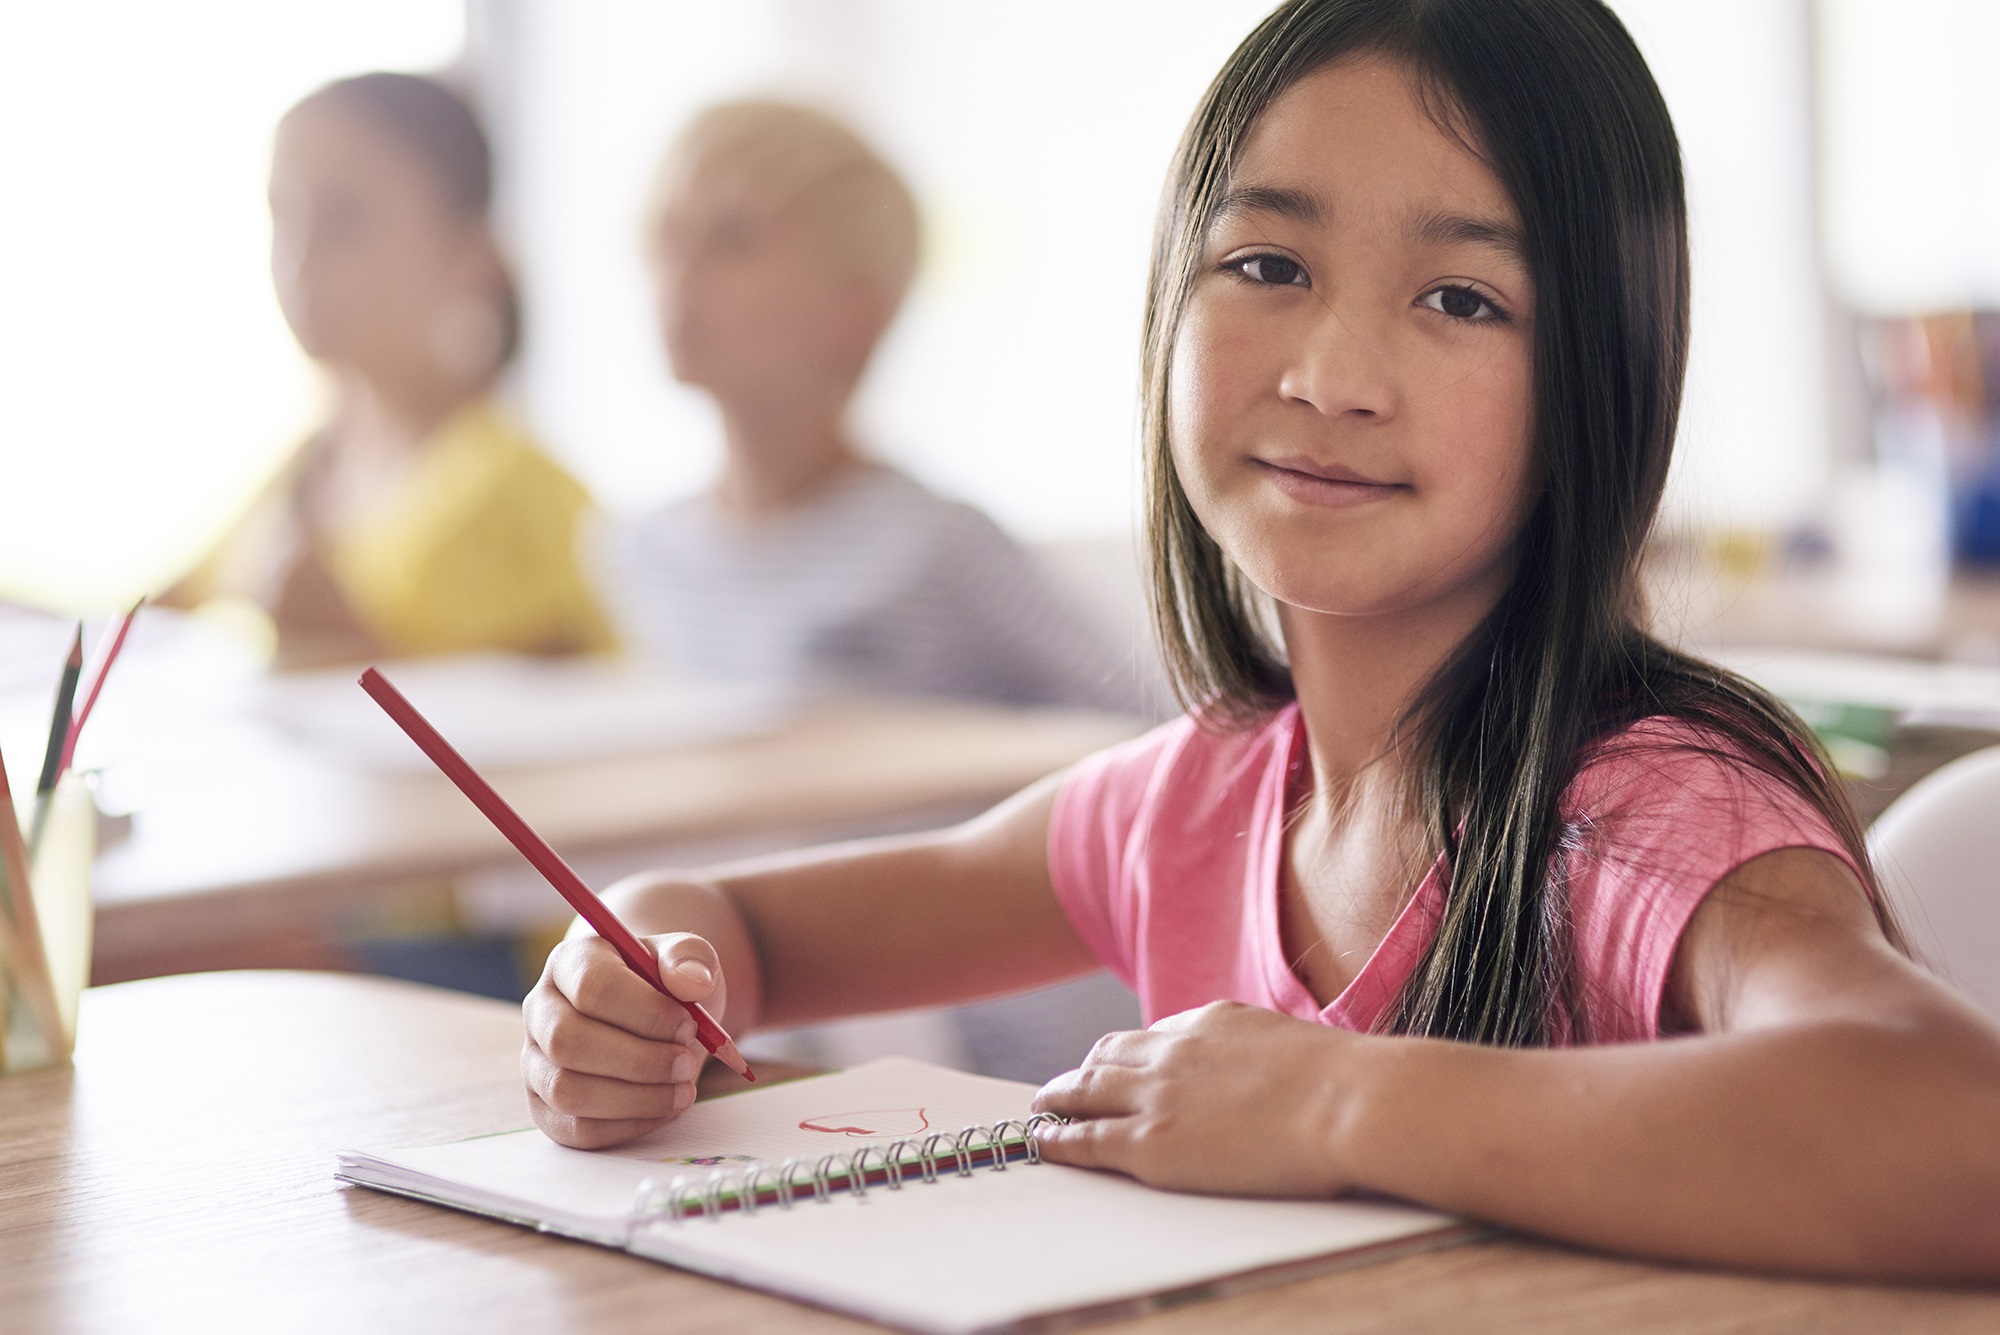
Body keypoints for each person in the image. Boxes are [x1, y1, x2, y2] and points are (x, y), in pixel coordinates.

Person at [519, 0, 2000, 1282]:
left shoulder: (1646, 814)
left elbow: (1955, 1132)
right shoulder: (1194, 803)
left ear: (1599, 383)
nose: (1333, 371)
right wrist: (635, 969)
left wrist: (1338, 1100)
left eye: (1462, 297)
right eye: (1270, 266)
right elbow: (740, 929)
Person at [598, 100, 1151, 716]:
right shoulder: (642, 554)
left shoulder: (938, 550)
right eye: (666, 236)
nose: (679, 276)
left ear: (856, 308)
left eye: (732, 240)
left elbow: (1141, 722)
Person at [170, 72, 612, 668]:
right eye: (283, 217)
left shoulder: (525, 493)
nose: (300, 261)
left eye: (343, 219)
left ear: (466, 251)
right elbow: (141, 617)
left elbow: (580, 718)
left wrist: (357, 648)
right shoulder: (307, 465)